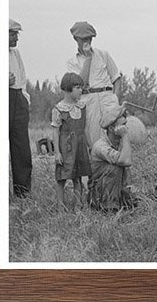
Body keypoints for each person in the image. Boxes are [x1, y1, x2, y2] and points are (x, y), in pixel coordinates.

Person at [66, 21, 122, 147]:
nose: (88, 41)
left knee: (116, 134)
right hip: (88, 100)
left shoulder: (104, 54)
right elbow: (80, 83)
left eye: (90, 38)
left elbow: (116, 78)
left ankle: (119, 163)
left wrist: (115, 99)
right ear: (76, 39)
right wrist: (89, 58)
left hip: (107, 98)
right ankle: (98, 165)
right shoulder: (72, 62)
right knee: (95, 139)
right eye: (84, 38)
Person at [51, 71, 90, 208]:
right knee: (61, 177)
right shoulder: (59, 109)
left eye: (81, 87)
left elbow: (84, 129)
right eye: (78, 87)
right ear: (68, 88)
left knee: (77, 177)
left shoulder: (82, 107)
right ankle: (60, 207)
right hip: (66, 148)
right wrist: (57, 152)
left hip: (79, 146)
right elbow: (56, 131)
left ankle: (78, 205)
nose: (81, 90)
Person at [88, 104, 137, 212]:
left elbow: (128, 167)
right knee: (115, 167)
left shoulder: (119, 141)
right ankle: (109, 207)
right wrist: (125, 136)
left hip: (115, 188)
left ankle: (123, 201)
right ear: (111, 128)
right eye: (123, 125)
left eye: (126, 124)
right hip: (98, 193)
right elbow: (126, 161)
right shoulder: (100, 146)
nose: (126, 128)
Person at [8, 19, 32, 197]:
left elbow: (22, 78)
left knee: (21, 147)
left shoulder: (15, 54)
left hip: (18, 99)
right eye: (12, 33)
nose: (16, 37)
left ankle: (22, 192)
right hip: (2, 98)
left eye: (17, 33)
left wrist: (24, 98)